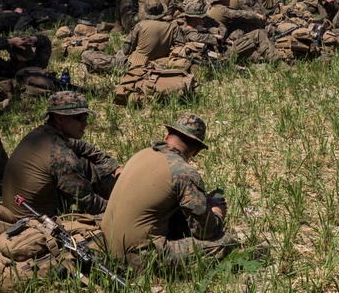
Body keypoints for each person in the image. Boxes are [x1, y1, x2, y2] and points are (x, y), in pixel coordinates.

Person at [101, 113, 240, 271]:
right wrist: (217, 214)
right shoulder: (184, 173)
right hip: (136, 259)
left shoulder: (141, 154)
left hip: (106, 243)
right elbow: (205, 232)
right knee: (226, 242)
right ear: (197, 151)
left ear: (167, 135)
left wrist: (200, 202)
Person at [1, 91, 121, 218]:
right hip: (36, 222)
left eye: (86, 117)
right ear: (59, 118)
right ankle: (122, 195)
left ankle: (119, 190)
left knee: (84, 163)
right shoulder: (61, 156)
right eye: (79, 118)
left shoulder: (44, 135)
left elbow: (81, 146)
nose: (85, 123)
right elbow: (89, 202)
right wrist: (121, 210)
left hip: (30, 208)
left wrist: (114, 167)